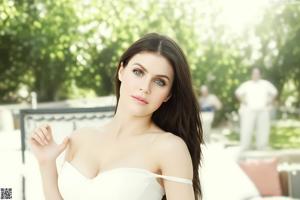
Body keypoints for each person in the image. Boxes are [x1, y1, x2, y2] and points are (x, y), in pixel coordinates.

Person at [29, 33, 203, 200]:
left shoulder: (169, 148)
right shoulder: (80, 138)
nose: (145, 87)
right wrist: (46, 163)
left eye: (159, 82)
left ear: (168, 94)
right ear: (121, 71)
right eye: (138, 72)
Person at [235, 68, 277, 151]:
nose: (255, 75)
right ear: (251, 75)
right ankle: (245, 147)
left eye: (257, 73)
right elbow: (237, 93)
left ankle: (262, 147)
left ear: (260, 75)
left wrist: (269, 101)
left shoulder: (265, 84)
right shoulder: (247, 84)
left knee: (263, 129)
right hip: (249, 110)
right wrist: (244, 101)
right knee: (246, 128)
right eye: (254, 73)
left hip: (263, 110)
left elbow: (274, 92)